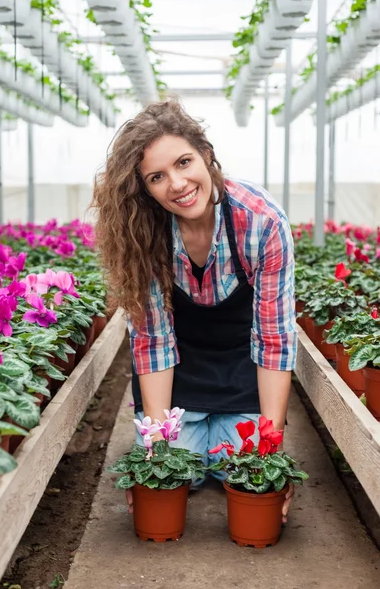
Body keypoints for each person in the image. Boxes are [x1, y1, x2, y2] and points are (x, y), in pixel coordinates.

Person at [93, 100, 297, 522]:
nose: (178, 183)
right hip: (178, 380)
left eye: (184, 162)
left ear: (206, 153)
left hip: (241, 373)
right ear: (145, 189)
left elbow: (275, 338)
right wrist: (156, 449)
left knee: (240, 471)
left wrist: (271, 449)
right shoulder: (144, 234)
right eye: (157, 177)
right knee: (178, 474)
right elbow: (153, 343)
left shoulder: (262, 222)